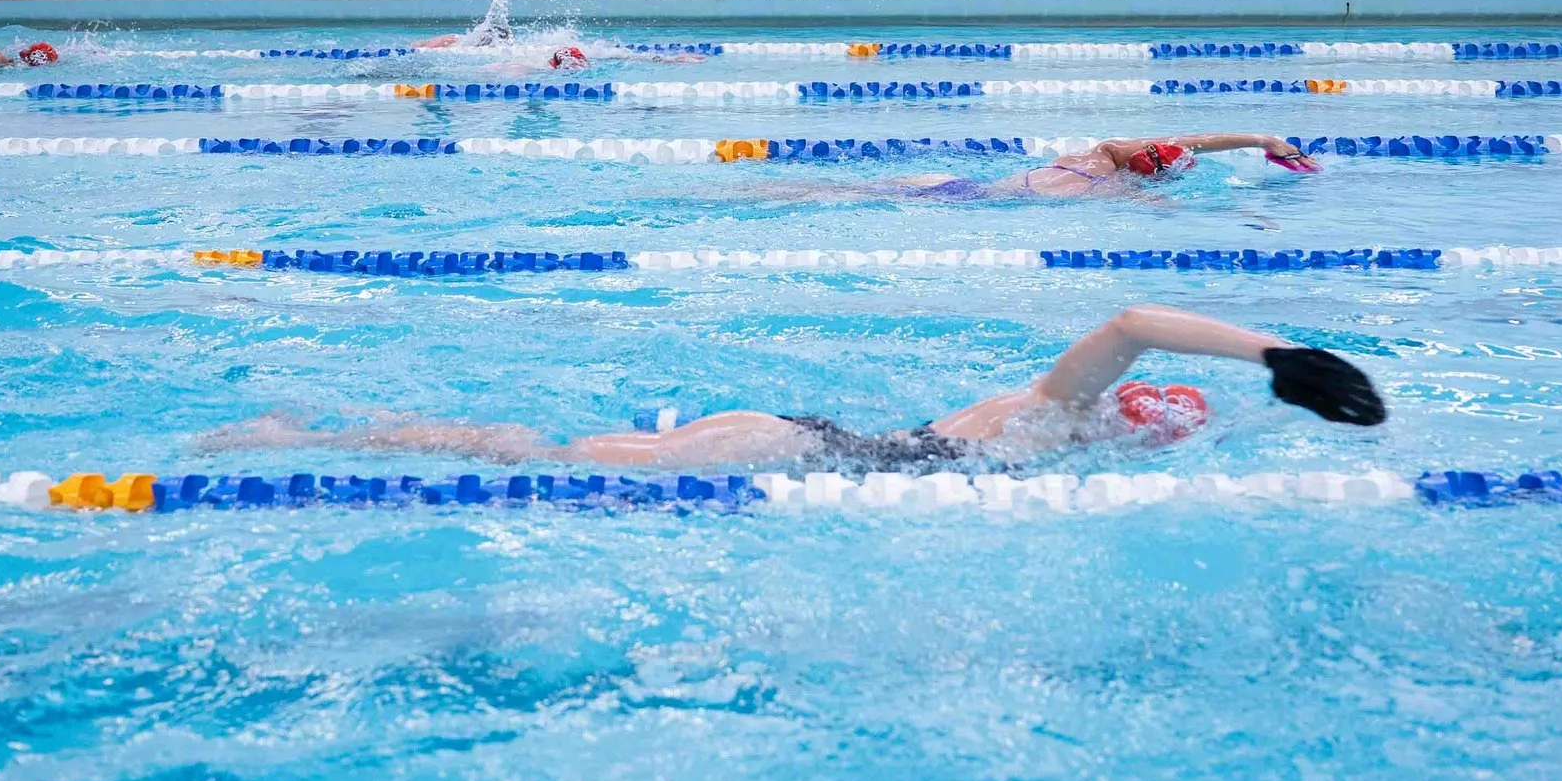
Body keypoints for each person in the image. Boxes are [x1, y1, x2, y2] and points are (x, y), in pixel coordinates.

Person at [198, 304, 1384, 472]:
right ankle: (307, 433)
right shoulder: (1057, 415)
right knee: (539, 459)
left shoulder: (1040, 421)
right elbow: (1129, 325)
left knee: (543, 446)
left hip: (805, 439)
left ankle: (329, 428)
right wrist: (1274, 356)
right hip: (790, 451)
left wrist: (1273, 356)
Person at [893, 132, 1319, 200]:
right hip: (973, 201)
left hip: (958, 184)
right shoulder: (1124, 191)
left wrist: (1262, 139)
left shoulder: (1098, 155)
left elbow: (1189, 140)